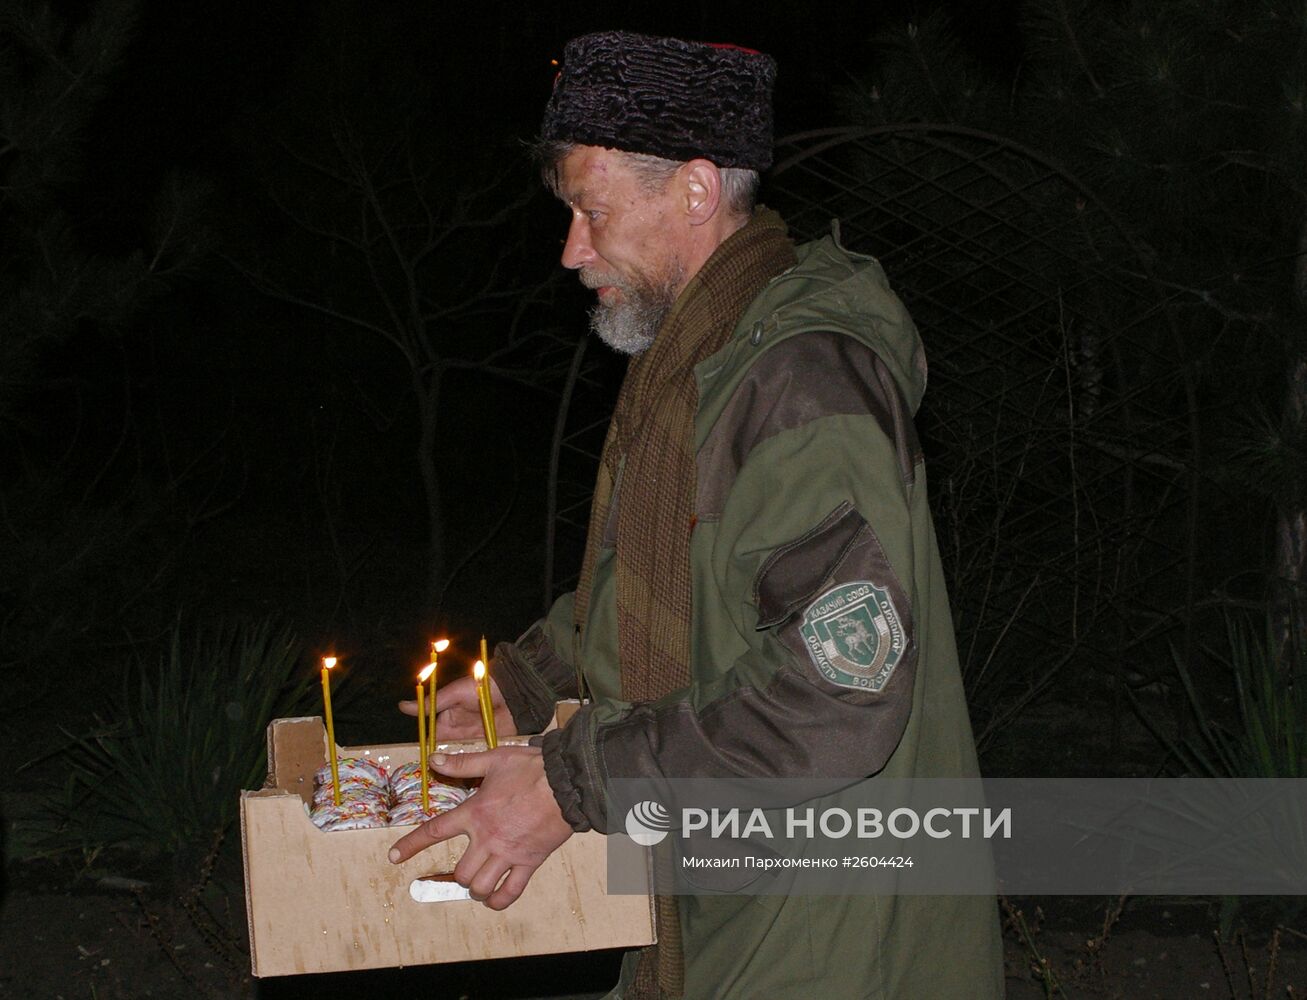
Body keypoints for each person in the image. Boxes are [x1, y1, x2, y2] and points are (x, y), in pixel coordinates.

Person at [391, 30, 1004, 999]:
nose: (569, 251)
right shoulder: (693, 362)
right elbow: (655, 586)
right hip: (716, 896)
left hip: (821, 931)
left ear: (692, 188)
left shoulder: (797, 382)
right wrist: (528, 683)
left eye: (590, 213)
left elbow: (837, 693)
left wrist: (570, 782)